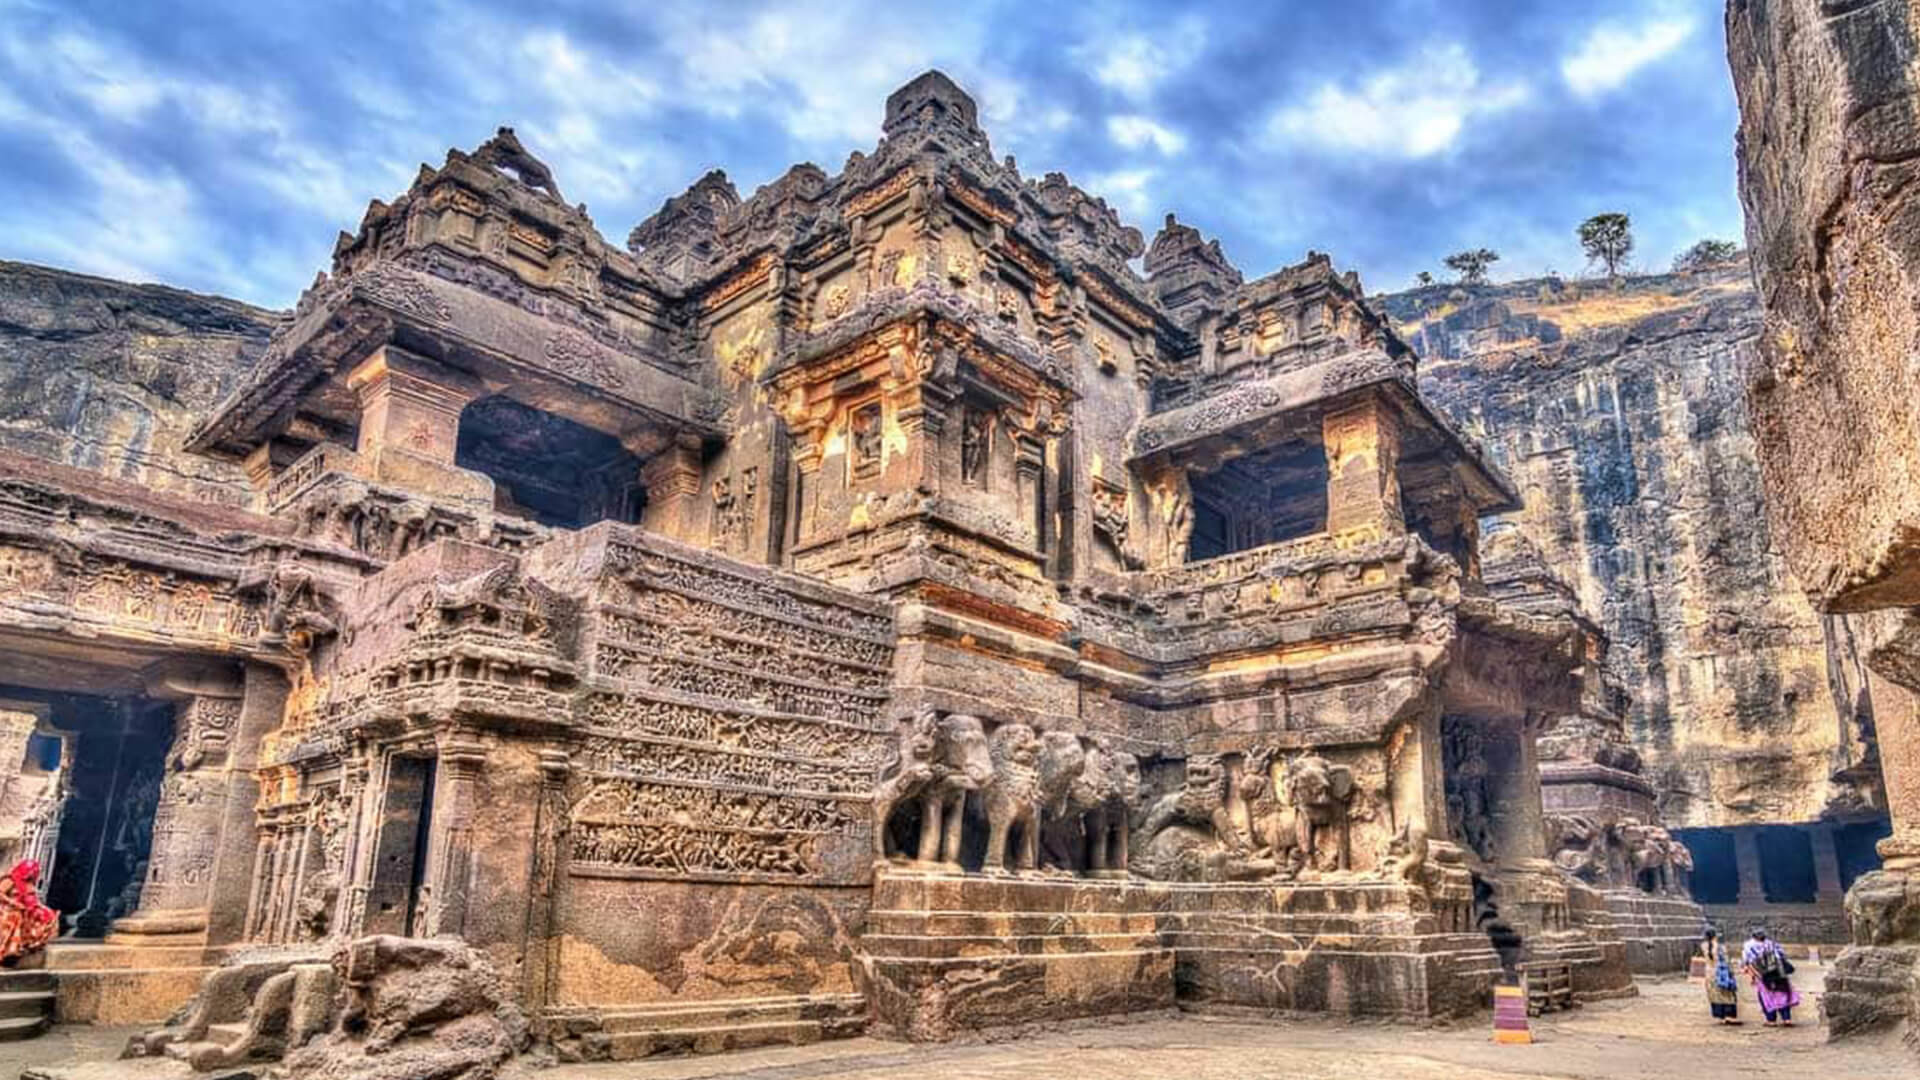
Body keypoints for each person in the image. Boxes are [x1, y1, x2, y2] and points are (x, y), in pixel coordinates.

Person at [1741, 927, 1801, 1026]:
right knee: (1782, 994)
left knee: (1766, 996)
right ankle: (1786, 1018)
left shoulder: (1749, 946)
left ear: (1753, 936)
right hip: (1779, 973)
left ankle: (1771, 1020)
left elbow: (1747, 962)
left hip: (1762, 975)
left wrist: (1753, 976)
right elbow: (1782, 956)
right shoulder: (1772, 944)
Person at [0, 859, 55, 965]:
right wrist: (14, 903)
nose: (32, 874)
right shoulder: (10, 880)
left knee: (48, 917)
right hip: (8, 909)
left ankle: (28, 946)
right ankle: (8, 951)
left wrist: (40, 908)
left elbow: (32, 898)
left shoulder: (29, 883)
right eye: (30, 871)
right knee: (16, 917)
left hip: (26, 910)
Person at [1699, 928, 1740, 1024]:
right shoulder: (1721, 947)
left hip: (1709, 972)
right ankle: (1728, 1015)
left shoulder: (1703, 946)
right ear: (1715, 936)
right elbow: (1726, 961)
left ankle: (1720, 1016)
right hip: (1720, 972)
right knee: (1726, 993)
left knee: (1715, 994)